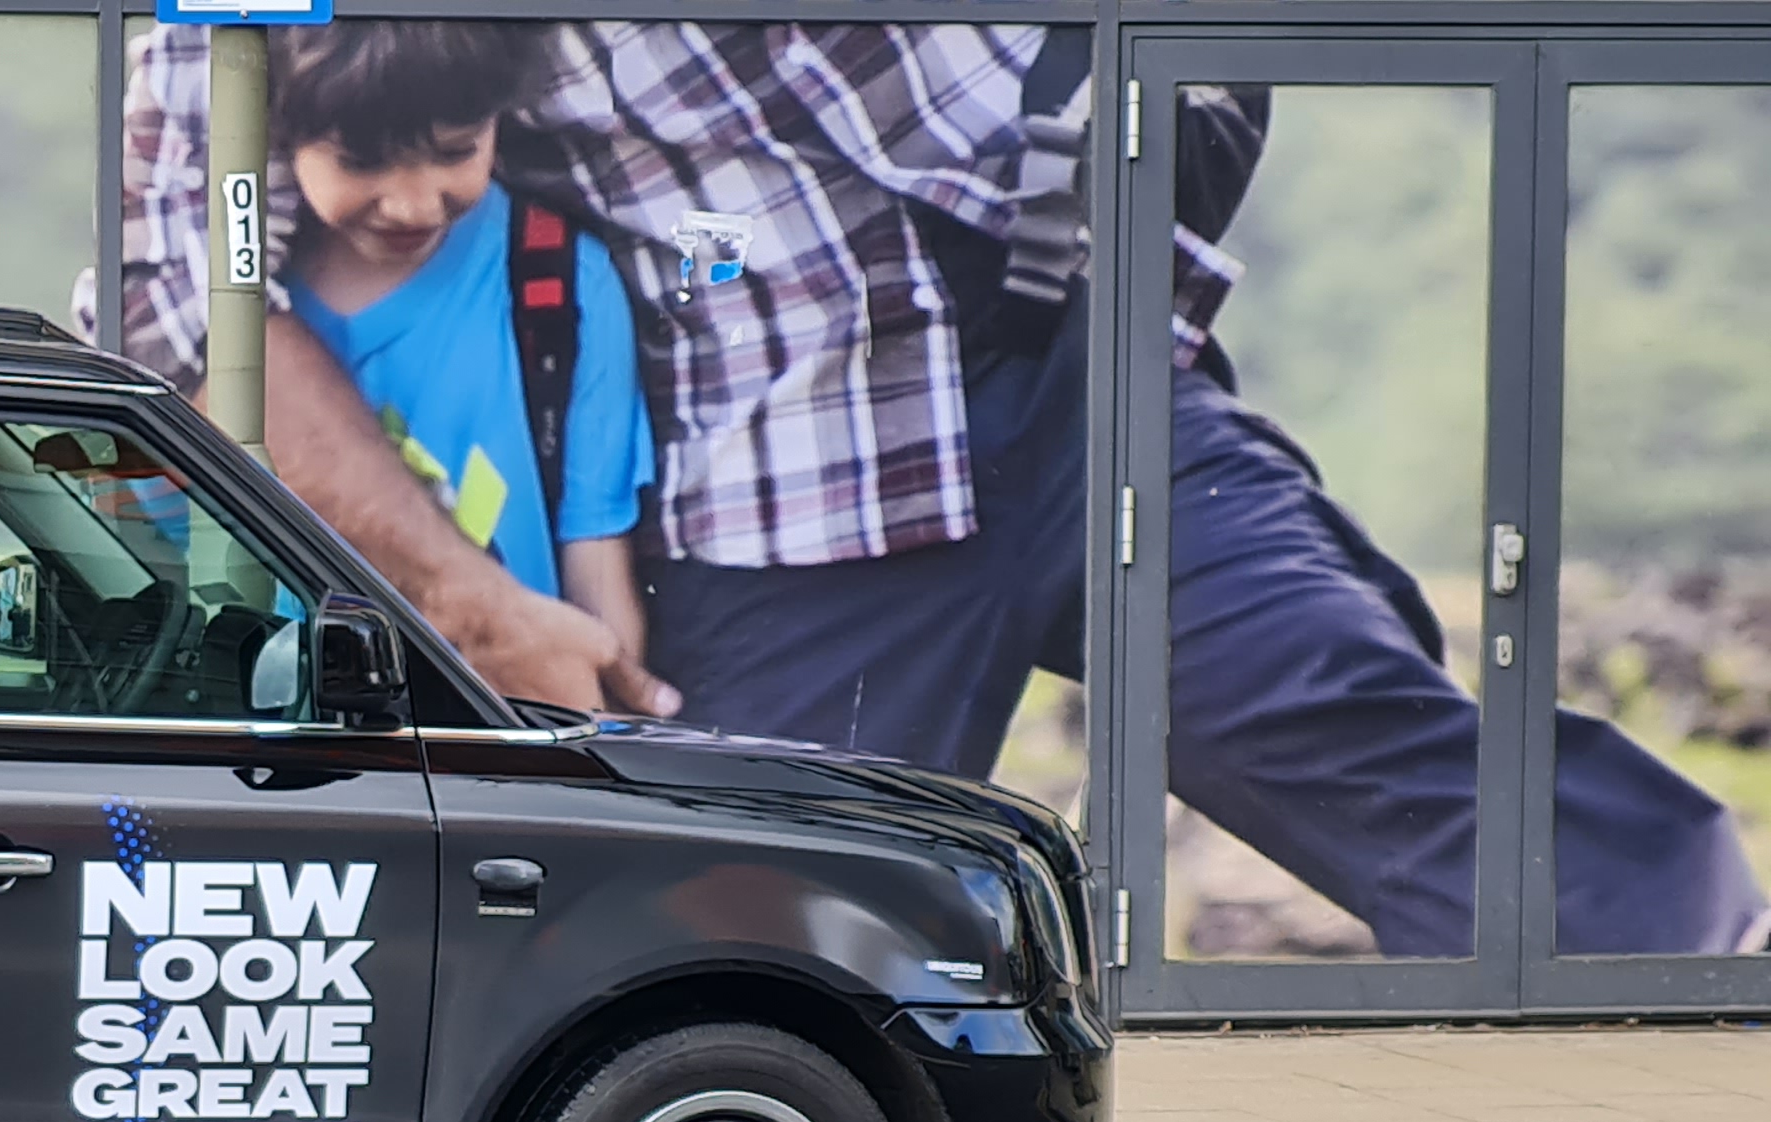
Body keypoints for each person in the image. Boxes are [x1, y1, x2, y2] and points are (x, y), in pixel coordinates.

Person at [115, 21, 1763, 957]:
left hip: (1092, 388)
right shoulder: (259, 38)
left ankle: (1687, 1005)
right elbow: (210, 293)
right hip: (789, 476)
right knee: (737, 927)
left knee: (1348, 711)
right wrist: (483, 605)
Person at [263, 21, 653, 658]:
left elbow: (597, 561)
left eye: (455, 151)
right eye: (362, 161)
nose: (414, 205)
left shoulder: (557, 277)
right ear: (284, 134)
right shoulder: (226, 314)